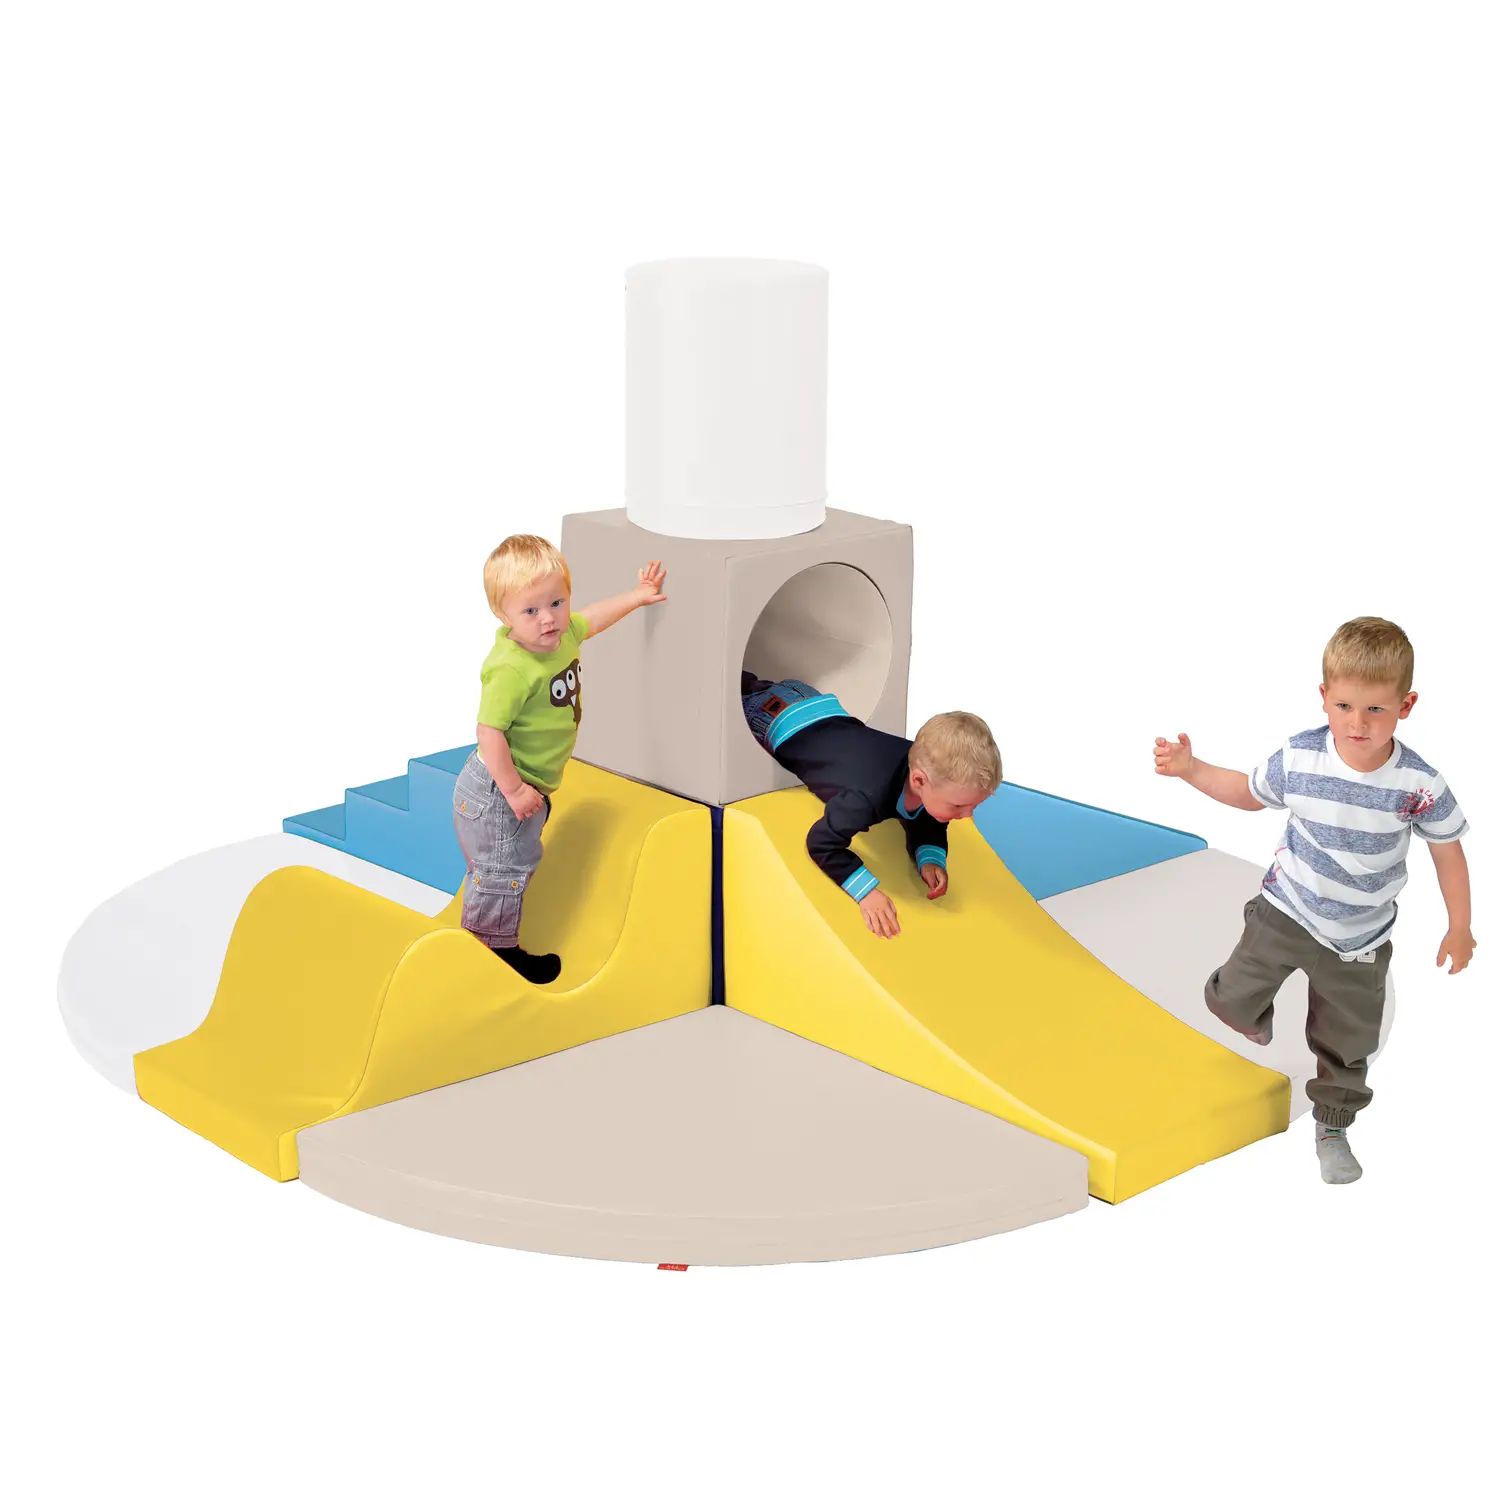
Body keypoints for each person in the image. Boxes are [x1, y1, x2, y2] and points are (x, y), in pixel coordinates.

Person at [1153, 616, 1475, 1184]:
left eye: (1375, 709)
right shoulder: (1301, 758)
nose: (1358, 723)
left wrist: (1459, 926)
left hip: (1360, 938)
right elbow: (1248, 793)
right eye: (1345, 706)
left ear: (1406, 706)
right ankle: (1250, 1012)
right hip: (1287, 910)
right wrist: (1191, 769)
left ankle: (1332, 1128)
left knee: (1348, 1043)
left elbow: (1448, 852)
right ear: (1324, 698)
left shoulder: (1419, 784)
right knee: (1230, 1000)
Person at [453, 534, 666, 982]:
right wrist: (514, 790)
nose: (548, 618)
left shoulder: (563, 633)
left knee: (511, 864)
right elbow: (489, 733)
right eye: (530, 611)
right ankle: (495, 956)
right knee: (502, 871)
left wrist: (637, 596)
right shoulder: (511, 668)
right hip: (498, 789)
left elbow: (593, 619)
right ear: (503, 615)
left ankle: (483, 941)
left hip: (523, 784)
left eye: (557, 602)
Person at [742, 670, 1001, 938]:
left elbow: (928, 815)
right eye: (958, 806)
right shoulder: (867, 798)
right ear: (918, 780)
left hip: (812, 701)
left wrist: (930, 855)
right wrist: (865, 892)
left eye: (972, 806)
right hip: (776, 719)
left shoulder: (925, 768)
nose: (967, 815)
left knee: (752, 684)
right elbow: (821, 842)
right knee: (732, 699)